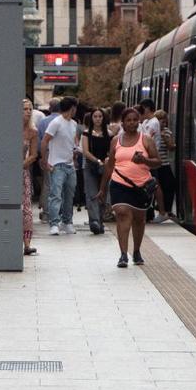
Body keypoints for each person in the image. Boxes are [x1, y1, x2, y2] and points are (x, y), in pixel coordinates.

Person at [98, 107, 161, 267]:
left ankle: (137, 251)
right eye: (128, 120)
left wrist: (144, 161)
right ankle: (123, 255)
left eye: (135, 120)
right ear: (123, 123)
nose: (132, 123)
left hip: (141, 186)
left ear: (138, 122)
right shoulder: (115, 141)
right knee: (122, 214)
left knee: (139, 219)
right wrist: (103, 188)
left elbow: (157, 162)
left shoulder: (146, 140)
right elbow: (110, 166)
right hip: (119, 183)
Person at [41, 96, 81, 235]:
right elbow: (45, 140)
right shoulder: (56, 123)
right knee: (56, 195)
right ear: (72, 108)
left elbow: (73, 142)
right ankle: (54, 223)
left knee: (69, 195)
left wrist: (75, 152)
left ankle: (67, 222)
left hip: (70, 165)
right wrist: (45, 160)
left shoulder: (74, 124)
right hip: (57, 164)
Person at [137, 99, 170, 223]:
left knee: (155, 185)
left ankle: (162, 211)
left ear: (147, 108)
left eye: (142, 109)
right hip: (146, 158)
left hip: (151, 157)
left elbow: (146, 138)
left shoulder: (154, 122)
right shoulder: (146, 121)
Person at [80, 107, 111, 235]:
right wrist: (97, 160)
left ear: (104, 118)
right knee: (91, 193)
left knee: (103, 193)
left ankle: (100, 220)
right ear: (91, 118)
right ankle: (94, 221)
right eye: (95, 116)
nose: (98, 119)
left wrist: (107, 160)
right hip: (90, 166)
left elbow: (111, 151)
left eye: (100, 116)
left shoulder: (109, 134)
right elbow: (85, 151)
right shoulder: (86, 133)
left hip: (106, 167)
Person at [21, 101, 40, 255]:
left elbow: (34, 155)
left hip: (23, 172)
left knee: (26, 207)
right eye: (24, 109)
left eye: (30, 109)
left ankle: (27, 244)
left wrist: (22, 164)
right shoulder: (8, 129)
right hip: (5, 174)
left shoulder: (33, 131)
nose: (28, 112)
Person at [154, 109, 176, 218]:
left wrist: (165, 138)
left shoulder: (167, 132)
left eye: (165, 122)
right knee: (157, 187)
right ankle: (159, 207)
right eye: (161, 121)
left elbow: (171, 147)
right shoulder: (152, 130)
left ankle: (168, 209)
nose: (163, 124)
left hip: (164, 163)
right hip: (154, 164)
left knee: (169, 185)